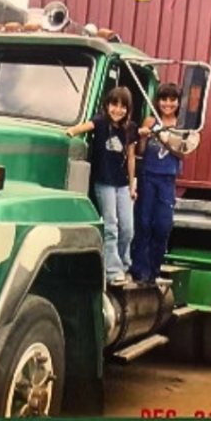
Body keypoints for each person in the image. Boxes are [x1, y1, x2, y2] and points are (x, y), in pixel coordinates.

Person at [65, 86, 137, 285]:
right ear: (107, 105)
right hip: (104, 182)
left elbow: (131, 158)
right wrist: (69, 132)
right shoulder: (100, 121)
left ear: (128, 109)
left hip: (122, 184)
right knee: (111, 225)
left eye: (123, 106)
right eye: (114, 104)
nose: (118, 110)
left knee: (128, 229)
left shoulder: (130, 129)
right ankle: (113, 272)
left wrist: (132, 185)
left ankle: (123, 264)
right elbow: (81, 128)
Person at [131, 83, 191, 284]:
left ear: (178, 102)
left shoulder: (183, 124)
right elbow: (140, 151)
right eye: (164, 99)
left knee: (162, 226)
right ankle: (140, 271)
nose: (168, 104)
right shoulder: (150, 119)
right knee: (144, 223)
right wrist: (143, 136)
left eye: (172, 99)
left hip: (167, 180)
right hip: (148, 176)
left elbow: (182, 154)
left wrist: (166, 138)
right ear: (157, 101)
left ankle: (154, 271)